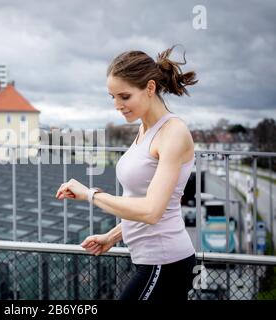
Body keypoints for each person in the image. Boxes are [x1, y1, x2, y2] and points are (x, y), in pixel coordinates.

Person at [55, 45, 198, 301]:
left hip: (165, 263)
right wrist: (112, 236)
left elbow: (152, 211)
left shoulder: (173, 133)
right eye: (112, 97)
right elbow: (141, 199)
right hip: (150, 262)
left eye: (124, 96)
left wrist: (90, 194)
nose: (117, 105)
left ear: (150, 88)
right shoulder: (144, 130)